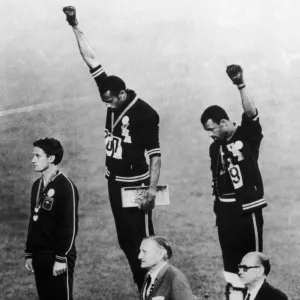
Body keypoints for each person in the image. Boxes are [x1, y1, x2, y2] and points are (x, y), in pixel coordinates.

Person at [62, 6, 161, 291]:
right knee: (125, 240)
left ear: (123, 93)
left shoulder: (145, 114)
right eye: (104, 101)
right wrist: (74, 24)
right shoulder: (109, 90)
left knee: (144, 239)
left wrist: (152, 190)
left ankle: (155, 287)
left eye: (111, 101)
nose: (108, 105)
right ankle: (142, 283)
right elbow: (90, 58)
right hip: (114, 183)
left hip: (136, 185)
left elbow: (155, 156)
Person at [200, 65, 267, 293]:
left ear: (224, 122)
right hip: (225, 214)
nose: (210, 134)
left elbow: (251, 114)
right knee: (231, 267)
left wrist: (240, 85)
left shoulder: (247, 135)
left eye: (212, 129)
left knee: (252, 263)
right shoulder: (214, 148)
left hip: (246, 211)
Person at [24, 138, 79, 300]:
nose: (33, 160)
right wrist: (29, 253)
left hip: (58, 256)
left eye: (37, 156)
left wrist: (61, 258)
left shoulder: (65, 186)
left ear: (51, 158)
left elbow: (70, 226)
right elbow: (33, 222)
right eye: (33, 155)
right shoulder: (36, 186)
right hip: (40, 255)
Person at [138, 236, 195, 300]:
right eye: (140, 251)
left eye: (144, 252)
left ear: (161, 254)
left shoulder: (175, 278)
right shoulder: (149, 275)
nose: (139, 256)